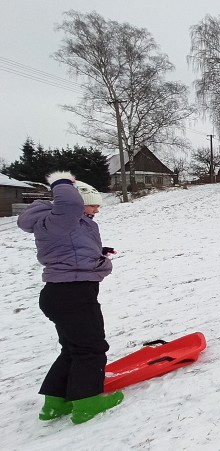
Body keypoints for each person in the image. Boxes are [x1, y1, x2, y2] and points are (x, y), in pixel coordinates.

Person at [17, 171, 124, 425]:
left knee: (74, 348)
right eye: (93, 203)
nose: (97, 209)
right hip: (73, 292)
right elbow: (70, 203)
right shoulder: (64, 216)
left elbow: (73, 247)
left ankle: (55, 403)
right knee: (91, 348)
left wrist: (99, 253)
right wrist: (62, 181)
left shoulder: (69, 223)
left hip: (64, 292)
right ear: (78, 200)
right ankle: (88, 402)